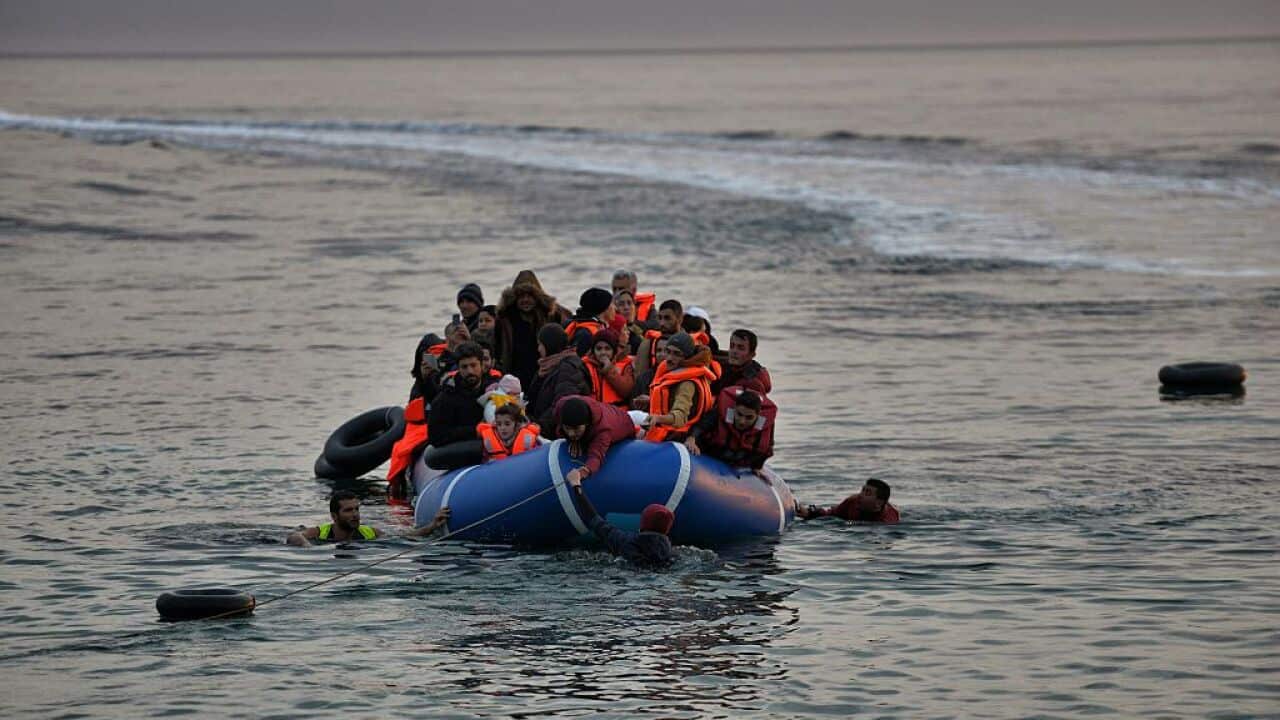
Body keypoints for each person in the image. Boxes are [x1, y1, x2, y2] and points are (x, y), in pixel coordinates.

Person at [565, 472, 675, 568]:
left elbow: (594, 520)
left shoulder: (626, 541)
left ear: (643, 524)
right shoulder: (670, 553)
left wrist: (576, 485)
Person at [386, 333, 446, 495]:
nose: (429, 359)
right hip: (419, 426)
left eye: (434, 354)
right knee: (400, 449)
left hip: (435, 425)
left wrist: (431, 378)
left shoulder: (446, 377)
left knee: (403, 449)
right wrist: (426, 379)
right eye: (426, 355)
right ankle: (397, 483)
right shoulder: (418, 384)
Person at [494, 270, 570, 390]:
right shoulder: (505, 319)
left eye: (530, 296)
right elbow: (496, 348)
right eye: (521, 296)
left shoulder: (552, 315)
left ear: (537, 297)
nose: (525, 300)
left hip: (546, 374)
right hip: (514, 377)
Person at [287, 490, 451, 546]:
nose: (355, 514)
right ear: (334, 516)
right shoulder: (320, 532)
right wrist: (307, 546)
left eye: (357, 509)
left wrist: (432, 525)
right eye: (348, 510)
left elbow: (404, 537)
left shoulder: (370, 533)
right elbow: (295, 536)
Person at [643, 332, 719, 442]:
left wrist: (657, 418)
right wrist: (650, 400)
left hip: (678, 437)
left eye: (677, 354)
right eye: (668, 351)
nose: (669, 358)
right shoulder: (674, 370)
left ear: (687, 357)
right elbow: (670, 399)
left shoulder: (687, 384)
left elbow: (680, 417)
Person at [553, 395, 638, 485]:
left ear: (586, 424)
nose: (571, 433)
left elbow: (596, 456)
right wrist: (573, 440)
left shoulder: (603, 430)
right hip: (604, 410)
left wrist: (582, 472)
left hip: (624, 423)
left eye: (576, 429)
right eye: (567, 428)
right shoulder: (561, 406)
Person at [685, 387, 775, 471]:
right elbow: (702, 425)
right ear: (734, 407)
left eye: (749, 417)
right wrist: (691, 438)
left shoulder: (765, 425)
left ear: (758, 415)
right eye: (739, 414)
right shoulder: (721, 411)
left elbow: (766, 450)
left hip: (739, 459)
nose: (742, 421)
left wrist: (757, 467)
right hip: (712, 452)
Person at [527, 324, 592, 431]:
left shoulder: (569, 368)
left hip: (557, 431)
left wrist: (540, 425)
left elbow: (562, 403)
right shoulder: (548, 365)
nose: (538, 349)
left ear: (549, 345)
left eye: (540, 345)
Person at [428, 341, 488, 448]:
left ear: (482, 365)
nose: (470, 371)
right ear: (458, 369)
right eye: (464, 367)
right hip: (460, 452)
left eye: (473, 365)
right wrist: (474, 430)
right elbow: (436, 437)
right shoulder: (445, 398)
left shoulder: (493, 390)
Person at [795, 479, 900, 524]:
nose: (860, 495)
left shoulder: (889, 519)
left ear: (879, 503)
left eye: (867, 493)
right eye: (862, 490)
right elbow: (830, 513)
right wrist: (809, 513)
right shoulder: (852, 502)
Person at [582, 328, 635, 408]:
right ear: (593, 351)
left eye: (607, 349)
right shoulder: (585, 366)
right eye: (599, 349)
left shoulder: (626, 366)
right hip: (594, 411)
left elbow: (626, 391)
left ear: (614, 351)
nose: (603, 352)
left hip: (617, 412)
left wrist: (609, 370)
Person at [711, 328, 772, 396]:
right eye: (732, 346)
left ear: (752, 355)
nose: (734, 351)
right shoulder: (726, 366)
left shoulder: (751, 382)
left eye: (741, 348)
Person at [634, 299, 683, 378]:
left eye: (667, 318)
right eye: (660, 318)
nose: (662, 323)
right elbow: (639, 376)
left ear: (680, 319)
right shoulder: (648, 344)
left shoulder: (690, 343)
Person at [477, 404, 541, 462]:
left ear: (517, 424)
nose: (503, 428)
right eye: (499, 424)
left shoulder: (529, 438)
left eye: (507, 424)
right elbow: (485, 463)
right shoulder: (488, 440)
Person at [565, 287, 617, 356]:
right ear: (604, 308)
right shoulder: (586, 335)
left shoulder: (581, 323)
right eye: (612, 304)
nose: (615, 308)